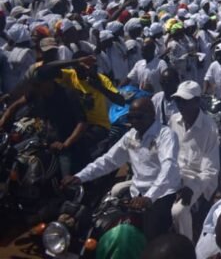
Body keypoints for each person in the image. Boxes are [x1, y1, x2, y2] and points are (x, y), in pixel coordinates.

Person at [63, 98, 182, 240]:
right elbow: (108, 161)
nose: (134, 121)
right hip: (137, 193)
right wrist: (80, 177)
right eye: (131, 117)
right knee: (109, 225)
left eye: (139, 117)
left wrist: (149, 197)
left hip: (161, 194)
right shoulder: (130, 136)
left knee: (151, 238)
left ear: (152, 115)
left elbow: (169, 167)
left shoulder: (166, 135)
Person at [168, 80, 220, 241]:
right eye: (178, 101)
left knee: (178, 211)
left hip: (199, 178)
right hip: (175, 173)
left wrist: (191, 188)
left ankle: (187, 247)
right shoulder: (173, 120)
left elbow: (210, 169)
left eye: (185, 101)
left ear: (197, 101)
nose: (181, 105)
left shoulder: (210, 128)